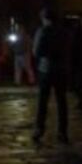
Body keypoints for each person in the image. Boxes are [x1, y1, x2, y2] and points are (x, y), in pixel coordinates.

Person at [32, 8, 70, 144]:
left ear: (44, 18)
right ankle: (62, 131)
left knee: (43, 101)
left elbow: (36, 51)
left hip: (46, 68)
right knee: (62, 101)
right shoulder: (64, 32)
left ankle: (39, 128)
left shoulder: (42, 31)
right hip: (61, 69)